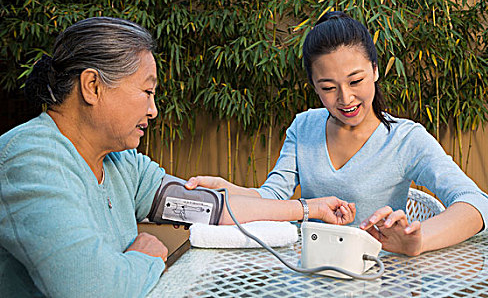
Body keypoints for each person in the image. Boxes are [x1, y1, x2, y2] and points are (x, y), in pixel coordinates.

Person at [0, 17, 355, 298]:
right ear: (92, 86)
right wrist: (147, 256)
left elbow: (208, 207)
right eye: (147, 91)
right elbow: (91, 288)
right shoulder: (29, 159)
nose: (154, 110)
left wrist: (308, 209)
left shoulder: (121, 163)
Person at [186, 11, 488, 257]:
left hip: (381, 279)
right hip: (310, 274)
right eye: (328, 88)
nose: (345, 98)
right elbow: (274, 197)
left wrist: (417, 241)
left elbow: (476, 203)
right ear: (314, 86)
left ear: (375, 70)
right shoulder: (303, 127)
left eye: (355, 81)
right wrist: (231, 190)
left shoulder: (406, 140)